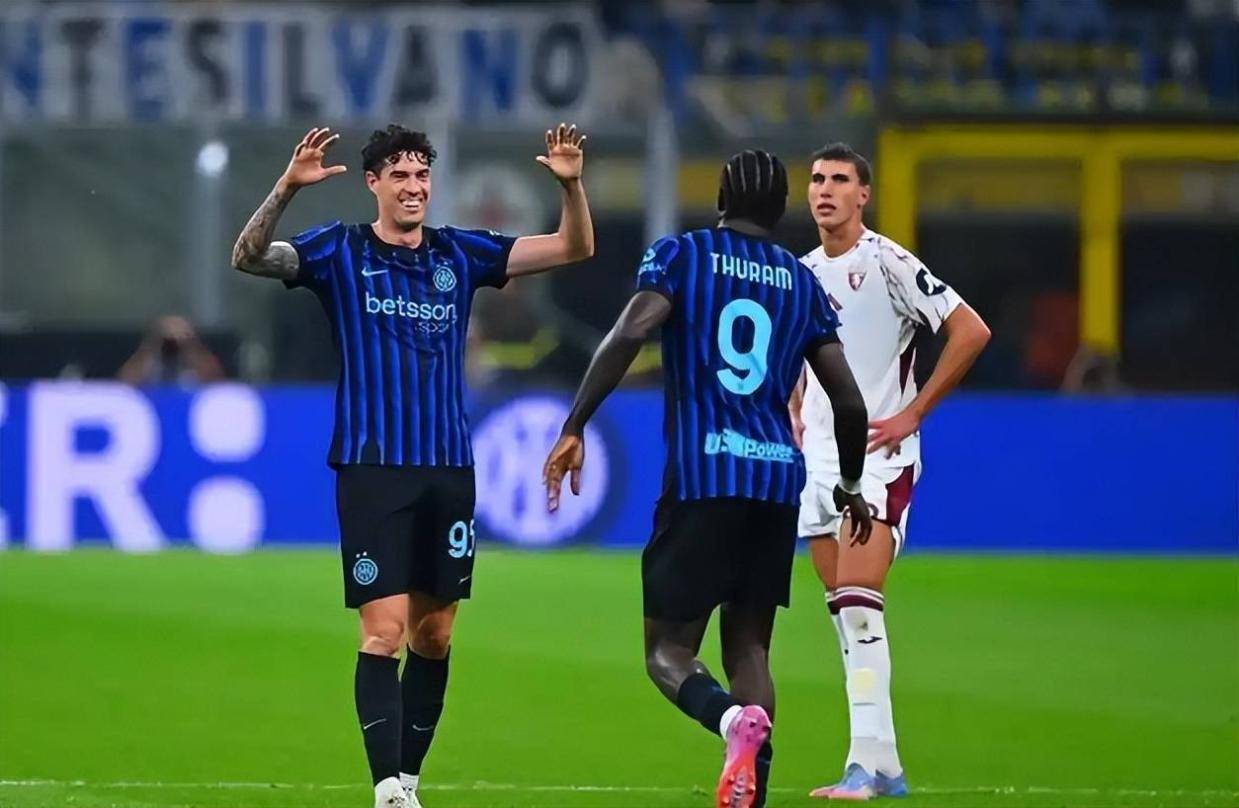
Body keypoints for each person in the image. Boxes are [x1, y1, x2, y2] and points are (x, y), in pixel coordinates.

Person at [230, 122, 593, 808]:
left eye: (422, 174)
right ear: (374, 183)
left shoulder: (461, 253)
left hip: (448, 469)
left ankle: (409, 781)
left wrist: (571, 187)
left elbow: (574, 246)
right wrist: (286, 188)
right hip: (372, 469)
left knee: (435, 634)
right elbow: (248, 257)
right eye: (399, 175)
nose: (413, 186)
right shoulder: (338, 250)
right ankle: (386, 789)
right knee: (384, 632)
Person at [543, 150, 872, 808]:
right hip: (775, 480)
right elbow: (850, 402)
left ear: (720, 198)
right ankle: (752, 793)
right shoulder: (800, 282)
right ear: (780, 208)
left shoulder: (682, 255)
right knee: (749, 649)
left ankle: (729, 723)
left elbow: (630, 331)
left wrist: (575, 422)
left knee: (666, 652)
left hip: (704, 474)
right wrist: (851, 485)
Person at [788, 143, 990, 801]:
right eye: (816, 179)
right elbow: (797, 359)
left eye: (838, 180)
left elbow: (970, 331)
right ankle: (885, 765)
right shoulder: (799, 273)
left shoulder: (888, 262)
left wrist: (914, 412)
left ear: (863, 195)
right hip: (818, 463)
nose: (824, 190)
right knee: (846, 619)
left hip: (878, 459)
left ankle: (862, 767)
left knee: (857, 601)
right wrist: (793, 406)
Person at [116, 315, 225, 385]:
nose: (172, 342)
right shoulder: (150, 362)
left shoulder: (194, 362)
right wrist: (154, 343)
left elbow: (217, 383)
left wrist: (188, 343)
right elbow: (124, 383)